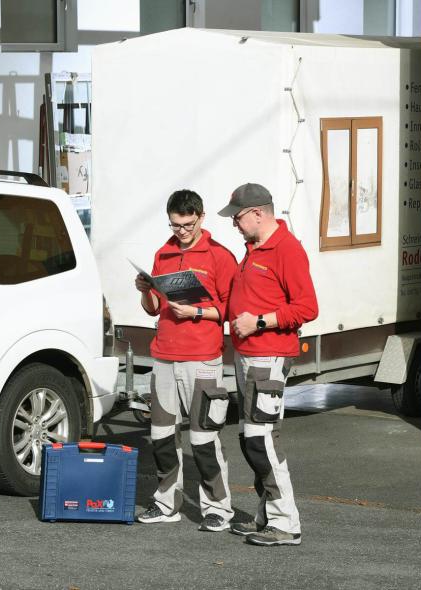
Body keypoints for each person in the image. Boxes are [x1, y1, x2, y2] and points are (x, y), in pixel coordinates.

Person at [217, 182, 318, 547]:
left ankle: (286, 522)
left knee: (262, 439)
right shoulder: (254, 248)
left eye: (238, 218)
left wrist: (260, 321)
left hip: (269, 356)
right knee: (251, 439)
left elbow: (307, 308)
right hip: (249, 356)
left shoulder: (286, 249)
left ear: (259, 213)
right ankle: (267, 515)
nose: (234, 225)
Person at [134, 189, 238, 532]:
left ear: (201, 217)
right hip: (164, 355)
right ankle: (166, 503)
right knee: (161, 436)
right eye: (176, 224)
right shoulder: (163, 253)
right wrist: (144, 290)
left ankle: (218, 508)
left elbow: (231, 309)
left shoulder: (220, 257)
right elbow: (153, 307)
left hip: (202, 358)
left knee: (203, 438)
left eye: (188, 224)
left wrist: (195, 311)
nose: (181, 230)